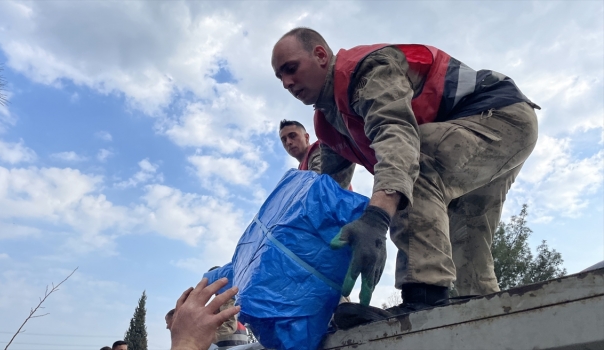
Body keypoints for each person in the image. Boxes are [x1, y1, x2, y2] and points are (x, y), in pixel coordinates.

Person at [271, 28, 539, 314]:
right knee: (465, 229)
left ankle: (424, 294)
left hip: (500, 116)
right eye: (280, 78)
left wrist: (376, 220)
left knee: (414, 165)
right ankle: (484, 316)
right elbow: (327, 199)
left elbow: (398, 141)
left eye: (291, 69)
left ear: (321, 55)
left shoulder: (367, 72)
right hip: (485, 134)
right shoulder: (328, 124)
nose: (287, 82)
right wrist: (294, 254)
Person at [168, 277, 240, 350]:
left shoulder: (224, 306)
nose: (167, 326)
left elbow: (230, 326)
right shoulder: (213, 313)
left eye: (168, 322)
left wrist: (189, 341)